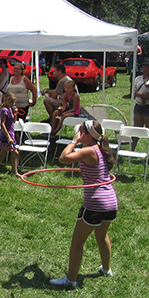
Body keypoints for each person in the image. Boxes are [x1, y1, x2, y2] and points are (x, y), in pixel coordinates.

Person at [51, 120, 117, 288]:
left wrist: (73, 141)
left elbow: (63, 158)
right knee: (101, 236)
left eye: (80, 130)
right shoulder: (100, 148)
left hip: (95, 203)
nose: (77, 132)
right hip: (110, 201)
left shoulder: (88, 151)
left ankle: (70, 280)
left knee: (77, 242)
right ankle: (106, 269)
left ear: (87, 135)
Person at [0, 92, 19, 181]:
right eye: (10, 102)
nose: (12, 104)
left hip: (11, 135)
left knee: (13, 153)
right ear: (5, 100)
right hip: (6, 136)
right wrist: (8, 137)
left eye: (13, 103)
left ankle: (14, 172)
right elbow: (2, 124)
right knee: (4, 155)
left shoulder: (9, 109)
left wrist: (15, 114)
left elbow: (14, 121)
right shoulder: (4, 110)